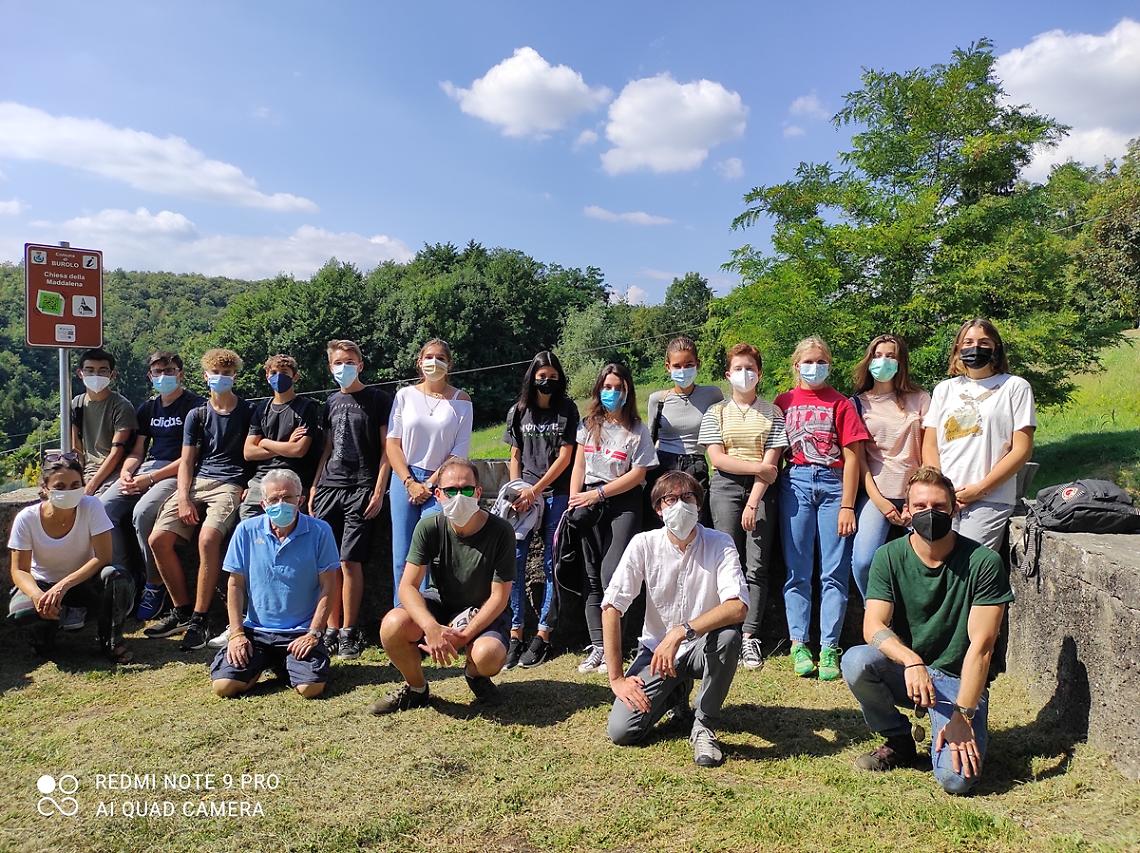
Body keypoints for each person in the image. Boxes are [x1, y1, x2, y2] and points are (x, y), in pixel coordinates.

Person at [841, 466, 1013, 795]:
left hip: (959, 680)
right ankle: (898, 740)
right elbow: (873, 625)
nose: (929, 514)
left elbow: (982, 647)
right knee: (856, 661)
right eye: (920, 506)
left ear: (954, 509)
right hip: (911, 673)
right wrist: (911, 660)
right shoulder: (888, 556)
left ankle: (954, 725)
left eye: (939, 506)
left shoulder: (984, 562)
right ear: (906, 510)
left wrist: (963, 714)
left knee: (955, 781)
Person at [603, 471, 749, 767]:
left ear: (699, 505)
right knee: (622, 730)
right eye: (670, 499)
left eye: (688, 497)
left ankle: (704, 725)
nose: (680, 505)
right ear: (658, 509)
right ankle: (675, 693)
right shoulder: (644, 544)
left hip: (701, 646)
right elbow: (611, 607)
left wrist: (681, 632)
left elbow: (737, 607)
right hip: (656, 652)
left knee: (728, 637)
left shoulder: (720, 543)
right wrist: (616, 679)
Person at [369, 457, 515, 714]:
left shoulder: (501, 531)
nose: (459, 496)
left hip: (482, 611)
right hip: (441, 603)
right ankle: (416, 688)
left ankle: (475, 674)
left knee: (489, 655)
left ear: (478, 492)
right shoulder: (429, 527)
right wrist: (430, 627)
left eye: (466, 489)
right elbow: (407, 586)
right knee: (392, 625)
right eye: (450, 490)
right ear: (438, 495)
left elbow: (499, 597)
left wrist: (464, 637)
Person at [145, 348, 253, 651]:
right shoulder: (198, 414)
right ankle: (181, 609)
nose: (221, 378)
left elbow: (253, 453)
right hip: (198, 482)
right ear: (205, 376)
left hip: (230, 483)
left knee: (207, 539)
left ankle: (200, 618)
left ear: (234, 376)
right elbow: (187, 461)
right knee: (158, 539)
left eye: (226, 373)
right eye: (215, 373)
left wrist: (248, 483)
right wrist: (183, 497)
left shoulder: (248, 412)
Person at [775, 337, 870, 681]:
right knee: (797, 570)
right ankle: (799, 643)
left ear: (829, 364)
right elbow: (774, 448)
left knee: (833, 572)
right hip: (795, 483)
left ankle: (830, 646)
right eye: (808, 361)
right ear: (796, 365)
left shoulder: (841, 403)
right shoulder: (783, 402)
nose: (814, 367)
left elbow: (853, 457)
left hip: (833, 485)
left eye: (820, 361)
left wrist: (848, 504)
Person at [210, 470, 339, 700]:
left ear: (300, 500)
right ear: (263, 504)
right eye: (274, 499)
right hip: (256, 632)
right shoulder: (245, 531)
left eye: (287, 497)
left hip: (300, 632)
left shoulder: (320, 531)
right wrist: (237, 634)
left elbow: (329, 587)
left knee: (310, 689)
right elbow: (235, 585)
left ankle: (285, 665)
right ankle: (269, 664)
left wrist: (314, 632)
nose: (281, 504)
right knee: (223, 687)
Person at [699, 343, 786, 671]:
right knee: (726, 559)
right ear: (727, 374)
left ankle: (749, 636)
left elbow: (771, 466)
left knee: (757, 565)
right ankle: (726, 631)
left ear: (759, 373)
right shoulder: (716, 412)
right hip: (725, 487)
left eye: (750, 368)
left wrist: (753, 499)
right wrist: (757, 468)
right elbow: (718, 459)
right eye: (738, 368)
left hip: (762, 493)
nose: (744, 374)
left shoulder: (773, 412)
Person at [100, 351, 204, 622]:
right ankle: (124, 578)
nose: (163, 376)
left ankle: (154, 583)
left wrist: (151, 479)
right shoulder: (148, 408)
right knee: (103, 508)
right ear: (150, 376)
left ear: (181, 374)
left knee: (143, 513)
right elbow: (137, 450)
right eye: (158, 372)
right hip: (147, 468)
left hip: (176, 472)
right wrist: (127, 472)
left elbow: (191, 456)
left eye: (169, 371)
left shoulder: (195, 407)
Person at [569, 362, 658, 674]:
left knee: (612, 575)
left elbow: (639, 473)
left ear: (627, 391)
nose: (612, 392)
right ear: (598, 389)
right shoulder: (588, 425)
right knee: (591, 576)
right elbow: (579, 465)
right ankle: (599, 647)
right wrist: (575, 498)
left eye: (618, 388)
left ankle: (615, 647)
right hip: (588, 502)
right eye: (607, 387)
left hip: (622, 502)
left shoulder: (637, 429)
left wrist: (599, 494)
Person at [7, 452, 135, 662]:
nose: (69, 491)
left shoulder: (91, 506)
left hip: (84, 582)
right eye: (60, 486)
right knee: (22, 611)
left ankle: (111, 640)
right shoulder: (27, 518)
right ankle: (44, 638)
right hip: (44, 583)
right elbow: (19, 570)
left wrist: (63, 586)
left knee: (117, 578)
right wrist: (37, 595)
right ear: (45, 488)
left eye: (75, 485)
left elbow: (103, 557)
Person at [309, 339, 392, 660]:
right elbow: (327, 448)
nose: (343, 367)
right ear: (330, 367)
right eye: (337, 362)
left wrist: (378, 490)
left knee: (349, 560)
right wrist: (315, 485)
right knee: (328, 562)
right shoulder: (329, 402)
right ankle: (330, 629)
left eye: (349, 361)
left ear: (360, 365)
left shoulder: (378, 399)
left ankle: (348, 631)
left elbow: (387, 450)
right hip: (329, 486)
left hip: (361, 486)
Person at [922, 319, 1036, 551]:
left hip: (991, 499)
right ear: (958, 348)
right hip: (943, 499)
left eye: (984, 342)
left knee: (970, 563)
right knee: (934, 561)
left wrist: (981, 489)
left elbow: (1022, 449)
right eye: (968, 342)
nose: (976, 347)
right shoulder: (944, 389)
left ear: (996, 348)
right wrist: (941, 489)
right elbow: (930, 445)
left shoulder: (1015, 387)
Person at [502, 351, 578, 669]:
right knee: (514, 561)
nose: (547, 381)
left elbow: (565, 457)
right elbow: (515, 455)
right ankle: (515, 632)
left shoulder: (567, 409)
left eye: (553, 377)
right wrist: (518, 489)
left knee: (551, 562)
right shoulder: (518, 411)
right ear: (532, 377)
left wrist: (536, 490)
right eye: (542, 376)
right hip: (524, 497)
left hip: (555, 494)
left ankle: (543, 634)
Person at [386, 339, 473, 606]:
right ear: (419, 362)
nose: (434, 362)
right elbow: (393, 443)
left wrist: (430, 483)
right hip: (404, 478)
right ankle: (402, 615)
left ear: (449, 364)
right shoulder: (404, 396)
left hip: (442, 482)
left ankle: (429, 614)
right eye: (429, 357)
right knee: (402, 554)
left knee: (429, 551)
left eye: (440, 358)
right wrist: (409, 481)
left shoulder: (461, 400)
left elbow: (459, 451)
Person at [850, 335, 930, 600]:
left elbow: (928, 451)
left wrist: (914, 501)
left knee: (926, 559)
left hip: (916, 493)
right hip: (877, 493)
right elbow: (860, 461)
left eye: (890, 356)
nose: (883, 361)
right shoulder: (857, 404)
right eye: (878, 355)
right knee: (863, 561)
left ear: (901, 362)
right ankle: (874, 611)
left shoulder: (920, 399)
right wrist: (881, 503)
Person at [645, 336, 723, 526]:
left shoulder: (712, 394)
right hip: (664, 466)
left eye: (688, 365)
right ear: (668, 367)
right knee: (663, 525)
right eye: (677, 366)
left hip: (695, 465)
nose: (683, 371)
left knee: (696, 523)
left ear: (698, 364)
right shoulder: (658, 399)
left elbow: (722, 431)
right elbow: (649, 439)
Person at [242, 354, 321, 519]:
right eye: (273, 372)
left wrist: (264, 442)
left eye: (284, 372)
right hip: (261, 479)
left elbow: (298, 450)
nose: (278, 377)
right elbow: (249, 452)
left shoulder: (307, 407)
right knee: (248, 521)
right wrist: (286, 445)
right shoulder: (262, 408)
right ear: (267, 376)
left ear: (295, 376)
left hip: (293, 478)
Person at [71, 347, 138, 497]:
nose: (96, 375)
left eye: (102, 371)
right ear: (80, 373)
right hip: (86, 470)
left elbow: (117, 453)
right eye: (90, 370)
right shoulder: (77, 403)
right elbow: (76, 447)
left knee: (95, 504)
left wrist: (90, 487)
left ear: (112, 374)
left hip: (112, 471)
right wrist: (77, 478)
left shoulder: (121, 406)